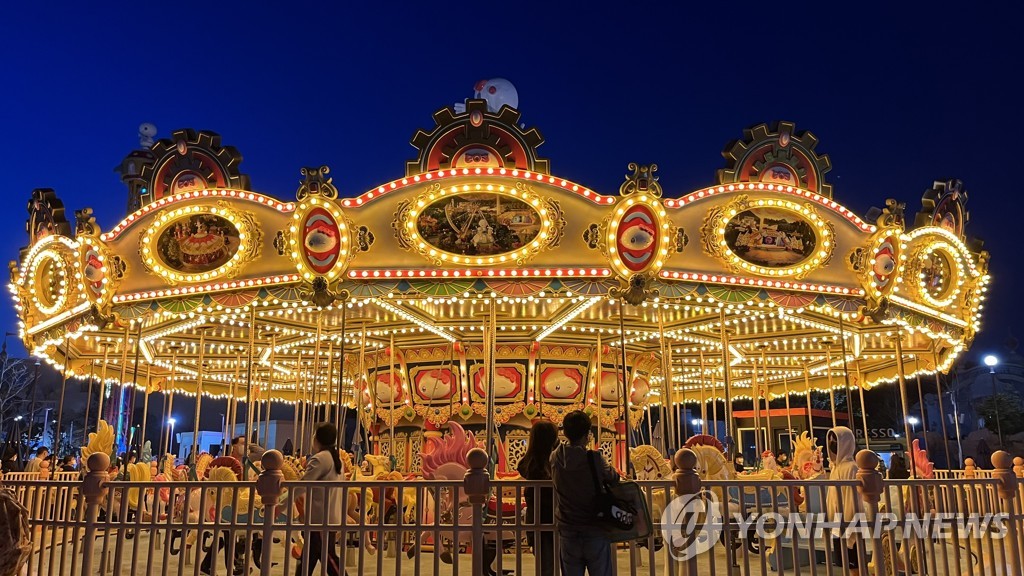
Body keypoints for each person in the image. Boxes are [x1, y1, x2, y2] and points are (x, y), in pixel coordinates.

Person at [551, 410, 617, 576]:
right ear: (588, 434)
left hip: (567, 526)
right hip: (593, 524)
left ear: (565, 432)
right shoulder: (593, 457)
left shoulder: (555, 457)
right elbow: (612, 477)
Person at [293, 423, 344, 576]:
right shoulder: (335, 459)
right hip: (328, 516)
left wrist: (280, 503)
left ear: (318, 438)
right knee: (308, 557)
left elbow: (302, 485)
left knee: (327, 557)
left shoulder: (320, 459)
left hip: (320, 518)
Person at [517, 420, 557, 576]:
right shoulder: (554, 462)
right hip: (552, 515)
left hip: (537, 517)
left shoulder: (529, 463)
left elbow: (523, 467)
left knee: (545, 563)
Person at [826, 426, 859, 572]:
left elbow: (852, 498)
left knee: (854, 561)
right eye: (830, 441)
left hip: (847, 521)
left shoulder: (851, 468)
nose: (832, 444)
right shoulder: (835, 467)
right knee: (843, 562)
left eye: (835, 441)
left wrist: (849, 522)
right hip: (836, 523)